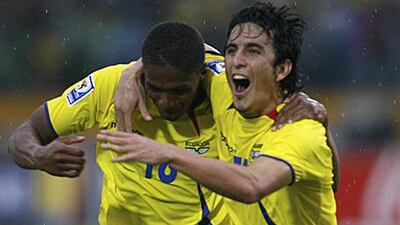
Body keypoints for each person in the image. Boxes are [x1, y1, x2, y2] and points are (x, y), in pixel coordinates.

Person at [8, 21, 327, 225]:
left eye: (179, 92)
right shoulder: (110, 86)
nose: (166, 101)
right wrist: (37, 156)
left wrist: (311, 107)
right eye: (155, 89)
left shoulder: (221, 87)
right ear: (142, 75)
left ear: (200, 76)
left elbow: (253, 74)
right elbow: (25, 134)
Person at [97, 2, 337, 225]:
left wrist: (168, 153)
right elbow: (185, 49)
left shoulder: (299, 129)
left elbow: (251, 185)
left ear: (282, 68)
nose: (237, 61)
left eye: (253, 51)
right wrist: (135, 68)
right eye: (232, 50)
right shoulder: (223, 91)